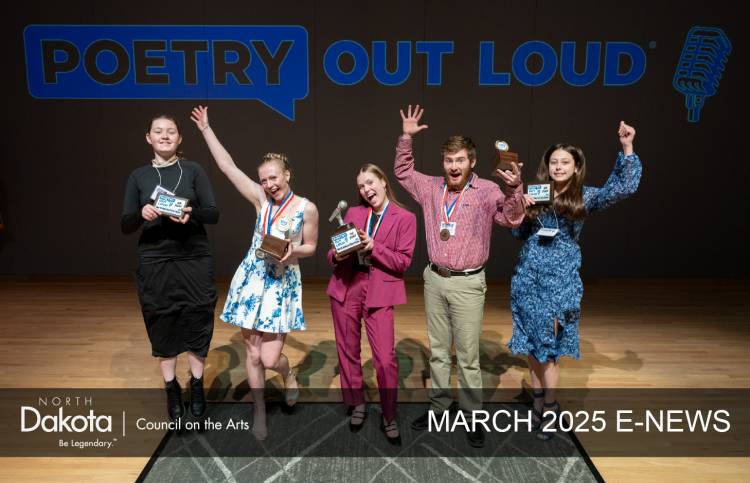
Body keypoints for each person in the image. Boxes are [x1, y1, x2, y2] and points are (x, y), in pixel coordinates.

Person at [394, 105, 526, 447]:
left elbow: (511, 220)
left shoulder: (486, 192)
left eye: (461, 160)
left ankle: (471, 414)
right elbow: (403, 171)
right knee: (438, 351)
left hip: (469, 283)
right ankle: (439, 407)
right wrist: (406, 136)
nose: (454, 167)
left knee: (467, 356)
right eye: (449, 160)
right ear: (444, 163)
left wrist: (514, 190)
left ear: (472, 163)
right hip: (435, 279)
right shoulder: (431, 188)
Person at [190, 105, 319, 440]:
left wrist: (293, 253)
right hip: (252, 280)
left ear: (287, 174)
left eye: (273, 177)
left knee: (270, 356)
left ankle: (288, 375)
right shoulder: (260, 200)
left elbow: (311, 247)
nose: (268, 184)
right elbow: (226, 166)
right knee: (251, 352)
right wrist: (206, 129)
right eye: (263, 179)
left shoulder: (307, 208)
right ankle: (259, 411)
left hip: (281, 284)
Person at [508, 121, 641, 440]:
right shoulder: (536, 193)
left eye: (564, 161)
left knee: (549, 349)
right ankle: (538, 402)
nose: (557, 166)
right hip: (527, 278)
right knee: (531, 345)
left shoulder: (586, 195)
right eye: (553, 161)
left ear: (576, 165)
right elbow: (518, 232)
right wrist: (519, 205)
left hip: (559, 282)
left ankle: (550, 407)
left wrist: (626, 148)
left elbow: (623, 188)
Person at [121, 114, 219, 423]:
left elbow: (213, 213)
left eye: (171, 131)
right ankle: (171, 388)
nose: (165, 136)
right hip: (155, 259)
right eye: (158, 131)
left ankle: (197, 384)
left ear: (179, 139)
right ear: (148, 137)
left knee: (198, 314)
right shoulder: (138, 176)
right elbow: (125, 224)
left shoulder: (193, 170)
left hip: (193, 256)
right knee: (162, 318)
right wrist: (142, 213)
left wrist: (191, 214)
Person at [326, 164, 417, 445]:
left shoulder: (405, 217)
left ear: (383, 182)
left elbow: (403, 261)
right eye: (361, 186)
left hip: (380, 290)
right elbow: (332, 253)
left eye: (370, 183)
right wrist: (339, 255)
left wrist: (373, 247)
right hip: (347, 286)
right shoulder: (354, 214)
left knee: (385, 360)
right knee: (348, 351)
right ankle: (358, 404)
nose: (366, 190)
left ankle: (388, 414)